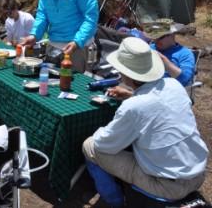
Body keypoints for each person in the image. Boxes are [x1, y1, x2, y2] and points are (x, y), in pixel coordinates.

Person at [82, 37, 208, 207]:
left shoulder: (133, 107)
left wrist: (99, 131)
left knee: (89, 145)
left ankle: (115, 202)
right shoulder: (173, 85)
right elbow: (158, 103)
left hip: (165, 185)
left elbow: (104, 145)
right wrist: (131, 95)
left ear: (125, 72)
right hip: (197, 174)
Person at [22, 0, 99, 72]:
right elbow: (42, 14)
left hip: (78, 48)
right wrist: (34, 35)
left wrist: (77, 42)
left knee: (74, 87)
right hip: (53, 45)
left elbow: (91, 18)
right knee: (50, 85)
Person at [143, 19, 195, 86]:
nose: (156, 40)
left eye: (161, 37)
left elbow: (185, 80)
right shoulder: (150, 48)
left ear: (172, 34)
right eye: (155, 36)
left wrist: (164, 61)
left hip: (169, 91)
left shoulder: (185, 54)